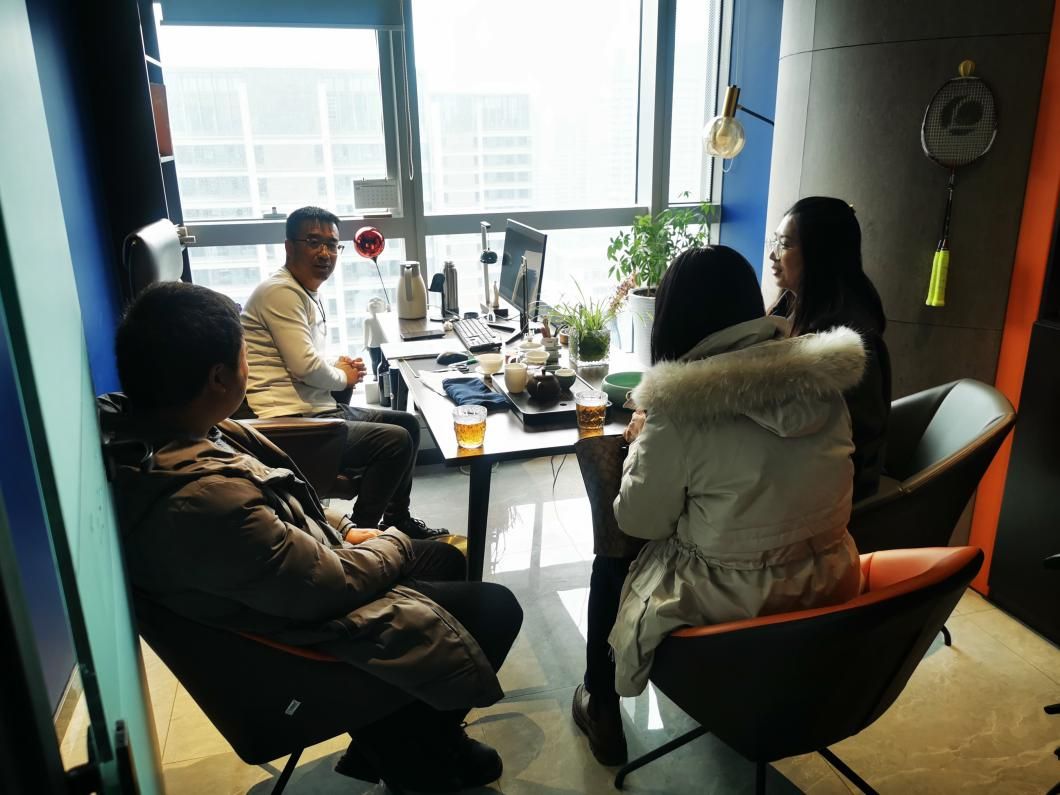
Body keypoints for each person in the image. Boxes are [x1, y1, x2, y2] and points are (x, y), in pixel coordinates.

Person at [107, 281, 523, 791]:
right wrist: (390, 541)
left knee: (444, 560)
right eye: (244, 356)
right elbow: (328, 586)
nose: (248, 366)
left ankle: (403, 738)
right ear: (218, 377)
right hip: (302, 643)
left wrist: (345, 528)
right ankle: (415, 759)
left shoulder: (186, 431)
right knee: (497, 609)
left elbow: (283, 498)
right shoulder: (202, 500)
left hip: (292, 584)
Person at [573, 247, 864, 764]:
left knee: (612, 559)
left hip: (734, 609)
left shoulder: (680, 408)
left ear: (672, 317)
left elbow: (638, 520)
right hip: (829, 589)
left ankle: (601, 707)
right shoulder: (822, 382)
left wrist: (641, 443)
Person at [240, 205, 447, 539]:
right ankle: (359, 535)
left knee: (407, 424)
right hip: (292, 422)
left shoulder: (302, 290)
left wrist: (338, 367)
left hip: (314, 408)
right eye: (313, 242)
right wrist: (343, 377)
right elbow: (305, 367)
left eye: (332, 245)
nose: (325, 253)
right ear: (289, 246)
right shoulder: (281, 292)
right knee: (394, 442)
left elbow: (304, 358)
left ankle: (397, 520)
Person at [768, 196, 892, 502]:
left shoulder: (846, 340)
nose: (773, 254)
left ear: (820, 253)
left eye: (785, 244)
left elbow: (845, 437)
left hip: (834, 490)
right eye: (776, 241)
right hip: (804, 467)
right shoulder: (793, 305)